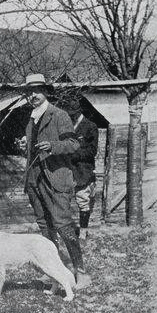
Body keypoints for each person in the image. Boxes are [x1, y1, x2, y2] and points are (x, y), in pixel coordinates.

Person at [17, 73, 91, 289]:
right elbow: (33, 153)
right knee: (45, 227)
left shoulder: (58, 115)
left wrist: (52, 146)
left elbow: (73, 144)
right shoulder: (31, 119)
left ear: (46, 92)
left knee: (62, 225)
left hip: (56, 180)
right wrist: (25, 148)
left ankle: (82, 273)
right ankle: (55, 271)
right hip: (35, 181)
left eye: (38, 90)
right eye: (30, 92)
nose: (33, 95)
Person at [66, 99, 99, 240]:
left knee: (83, 200)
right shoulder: (67, 127)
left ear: (79, 112)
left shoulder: (90, 127)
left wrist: (73, 154)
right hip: (67, 170)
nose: (71, 116)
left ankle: (83, 232)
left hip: (83, 170)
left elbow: (92, 151)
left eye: (73, 114)